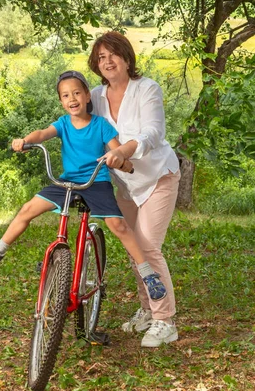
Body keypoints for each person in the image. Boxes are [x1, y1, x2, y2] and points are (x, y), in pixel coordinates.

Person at [0, 70, 168, 302]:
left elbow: (116, 149)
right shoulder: (63, 124)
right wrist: (25, 141)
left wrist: (121, 161)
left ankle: (148, 274)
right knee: (27, 209)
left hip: (96, 182)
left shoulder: (100, 125)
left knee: (119, 225)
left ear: (87, 96)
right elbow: (43, 133)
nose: (72, 99)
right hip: (66, 182)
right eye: (65, 95)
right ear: (61, 101)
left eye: (76, 93)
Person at [88, 32, 181, 348]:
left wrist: (124, 150)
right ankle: (147, 309)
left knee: (148, 246)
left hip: (158, 177)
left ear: (127, 58)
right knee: (133, 248)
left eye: (114, 54)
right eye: (101, 57)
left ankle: (165, 320)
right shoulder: (95, 97)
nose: (108, 61)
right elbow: (78, 124)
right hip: (125, 185)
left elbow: (153, 132)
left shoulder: (147, 89)